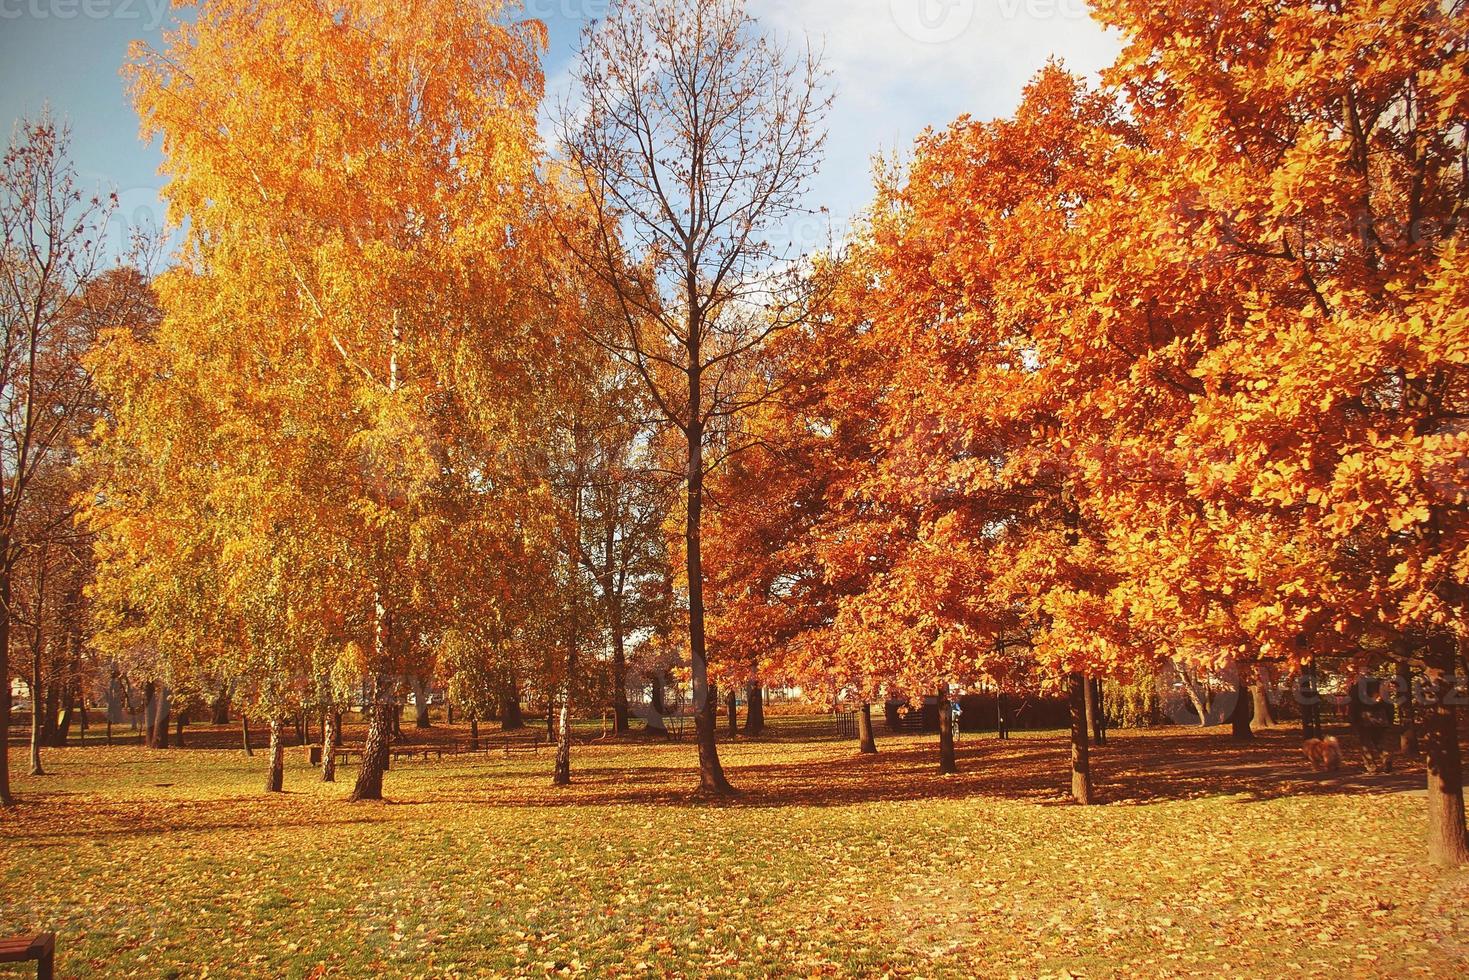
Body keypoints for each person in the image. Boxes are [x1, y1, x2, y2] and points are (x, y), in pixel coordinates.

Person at [1348, 676, 1393, 774]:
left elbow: (1353, 704)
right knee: (1380, 742)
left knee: (1366, 744)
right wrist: (1390, 719)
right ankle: (1386, 758)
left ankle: (1371, 766)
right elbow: (1388, 703)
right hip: (1380, 717)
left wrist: (1353, 719)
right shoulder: (1380, 686)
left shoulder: (1356, 688)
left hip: (1364, 718)